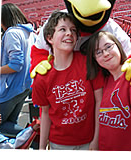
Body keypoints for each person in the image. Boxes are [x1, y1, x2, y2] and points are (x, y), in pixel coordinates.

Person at [31, 11, 103, 150]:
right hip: (59, 144)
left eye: (73, 30)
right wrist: (41, 148)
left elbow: (99, 102)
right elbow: (45, 114)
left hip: (89, 141)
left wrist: (96, 139)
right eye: (62, 29)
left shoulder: (88, 63)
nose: (69, 33)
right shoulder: (42, 76)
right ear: (49, 37)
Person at [86, 31, 131, 151]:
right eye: (98, 52)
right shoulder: (104, 81)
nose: (105, 54)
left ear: (119, 46)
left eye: (108, 47)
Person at [0, 3, 36, 136]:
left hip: (10, 88)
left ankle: (33, 134)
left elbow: (16, 65)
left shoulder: (12, 33)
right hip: (25, 86)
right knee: (10, 124)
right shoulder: (29, 32)